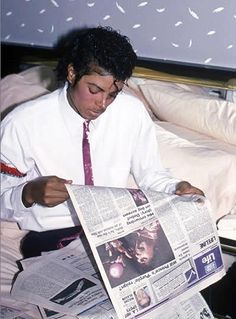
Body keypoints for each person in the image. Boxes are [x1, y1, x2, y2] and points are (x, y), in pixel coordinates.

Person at [0, 26, 204, 257]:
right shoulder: (22, 123)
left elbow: (151, 174)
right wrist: (28, 193)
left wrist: (176, 188)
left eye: (113, 94)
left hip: (115, 231)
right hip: (53, 237)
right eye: (94, 90)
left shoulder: (132, 112)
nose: (103, 104)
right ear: (72, 73)